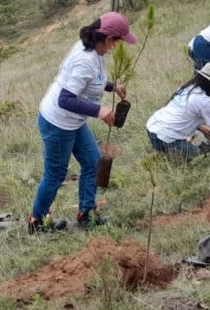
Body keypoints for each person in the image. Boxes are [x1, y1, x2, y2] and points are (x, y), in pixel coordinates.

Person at [30, 12, 135, 233]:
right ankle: (37, 222)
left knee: (93, 162)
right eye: (117, 41)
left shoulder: (95, 51)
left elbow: (92, 80)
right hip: (58, 122)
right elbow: (65, 99)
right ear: (107, 39)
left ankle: (86, 214)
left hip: (74, 122)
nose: (117, 46)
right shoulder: (84, 59)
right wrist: (99, 110)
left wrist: (112, 86)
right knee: (55, 174)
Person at [146, 64, 210, 161]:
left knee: (197, 136)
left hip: (153, 127)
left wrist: (201, 128)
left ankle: (164, 151)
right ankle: (167, 151)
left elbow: (184, 114)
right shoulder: (204, 100)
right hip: (167, 137)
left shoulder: (187, 88)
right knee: (205, 159)